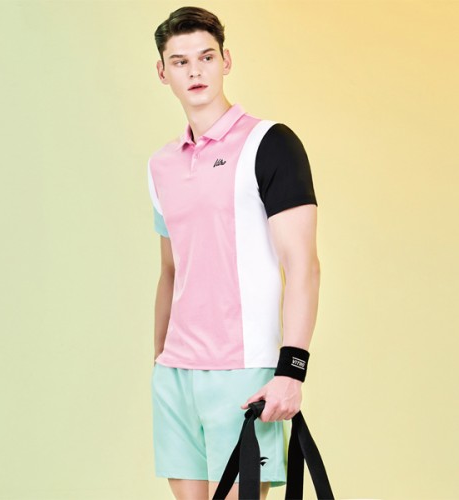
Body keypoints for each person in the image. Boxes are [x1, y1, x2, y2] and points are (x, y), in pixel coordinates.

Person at [147, 6, 320, 500]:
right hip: (176, 374)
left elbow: (303, 265)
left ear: (226, 60)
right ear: (162, 72)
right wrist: (158, 362)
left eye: (206, 57)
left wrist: (291, 370)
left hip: (243, 370)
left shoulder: (271, 143)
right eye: (180, 61)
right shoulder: (161, 165)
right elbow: (170, 269)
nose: (195, 71)